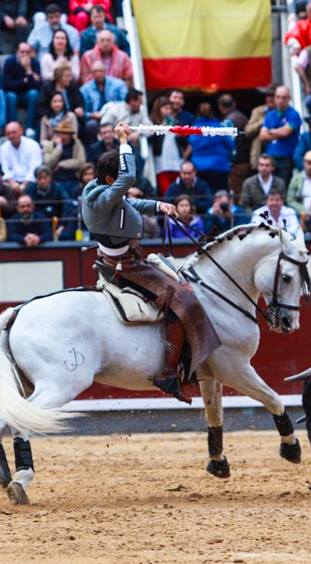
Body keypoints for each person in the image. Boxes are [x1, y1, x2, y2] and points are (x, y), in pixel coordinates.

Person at [82, 122, 218, 402]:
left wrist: (159, 206)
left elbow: (129, 204)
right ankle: (168, 372)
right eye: (118, 179)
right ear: (110, 181)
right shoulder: (103, 198)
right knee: (182, 296)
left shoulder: (98, 191)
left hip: (124, 259)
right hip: (125, 266)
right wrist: (123, 141)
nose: (123, 183)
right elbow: (129, 177)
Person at [260, 85, 301, 186]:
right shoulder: (270, 114)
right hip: (270, 158)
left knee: (282, 187)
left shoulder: (294, 114)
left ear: (289, 99)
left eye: (283, 98)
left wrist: (270, 131)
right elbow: (262, 136)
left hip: (286, 158)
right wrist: (278, 132)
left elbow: (285, 132)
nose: (280, 100)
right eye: (278, 97)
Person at [188, 103, 233, 194]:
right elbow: (231, 145)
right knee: (220, 196)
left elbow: (191, 143)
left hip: (199, 167)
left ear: (198, 114)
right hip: (219, 167)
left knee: (202, 196)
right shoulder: (220, 128)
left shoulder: (194, 129)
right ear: (212, 113)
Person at [79, 60, 127, 141]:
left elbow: (125, 103)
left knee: (124, 122)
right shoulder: (84, 89)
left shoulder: (118, 84)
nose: (98, 74)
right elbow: (83, 111)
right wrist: (91, 115)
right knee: (91, 125)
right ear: (91, 73)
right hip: (96, 119)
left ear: (105, 71)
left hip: (115, 116)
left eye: (100, 71)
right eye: (95, 71)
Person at [3, 42, 42, 137]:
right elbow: (7, 84)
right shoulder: (10, 62)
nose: (25, 55)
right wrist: (24, 81)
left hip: (27, 95)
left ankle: (30, 128)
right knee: (11, 96)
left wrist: (28, 70)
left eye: (28, 52)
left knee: (34, 94)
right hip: (13, 93)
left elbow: (37, 86)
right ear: (17, 52)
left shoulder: (34, 63)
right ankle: (13, 127)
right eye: (22, 52)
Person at [147, 96, 184, 195]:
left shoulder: (176, 123)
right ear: (158, 110)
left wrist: (179, 133)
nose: (168, 111)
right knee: (166, 191)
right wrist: (160, 128)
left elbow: (184, 141)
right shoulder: (153, 124)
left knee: (177, 190)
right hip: (162, 163)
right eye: (165, 108)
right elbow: (150, 140)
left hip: (176, 162)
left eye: (169, 109)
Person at [42, 117, 86, 196]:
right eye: (60, 133)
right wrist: (59, 148)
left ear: (70, 135)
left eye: (66, 133)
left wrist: (61, 164)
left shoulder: (77, 144)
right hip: (55, 179)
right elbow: (47, 163)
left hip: (73, 179)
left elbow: (81, 161)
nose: (63, 136)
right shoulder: (50, 145)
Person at [218, 94, 250, 198]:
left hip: (236, 164)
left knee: (236, 195)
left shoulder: (227, 122)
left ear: (220, 107)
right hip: (245, 160)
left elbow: (226, 143)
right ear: (234, 104)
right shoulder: (242, 117)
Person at [0, 121, 43, 194]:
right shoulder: (3, 148)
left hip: (30, 182)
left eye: (14, 132)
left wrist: (24, 185)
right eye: (8, 133)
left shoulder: (33, 145)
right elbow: (4, 169)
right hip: (11, 183)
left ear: (21, 131)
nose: (11, 136)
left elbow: (34, 168)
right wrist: (13, 184)